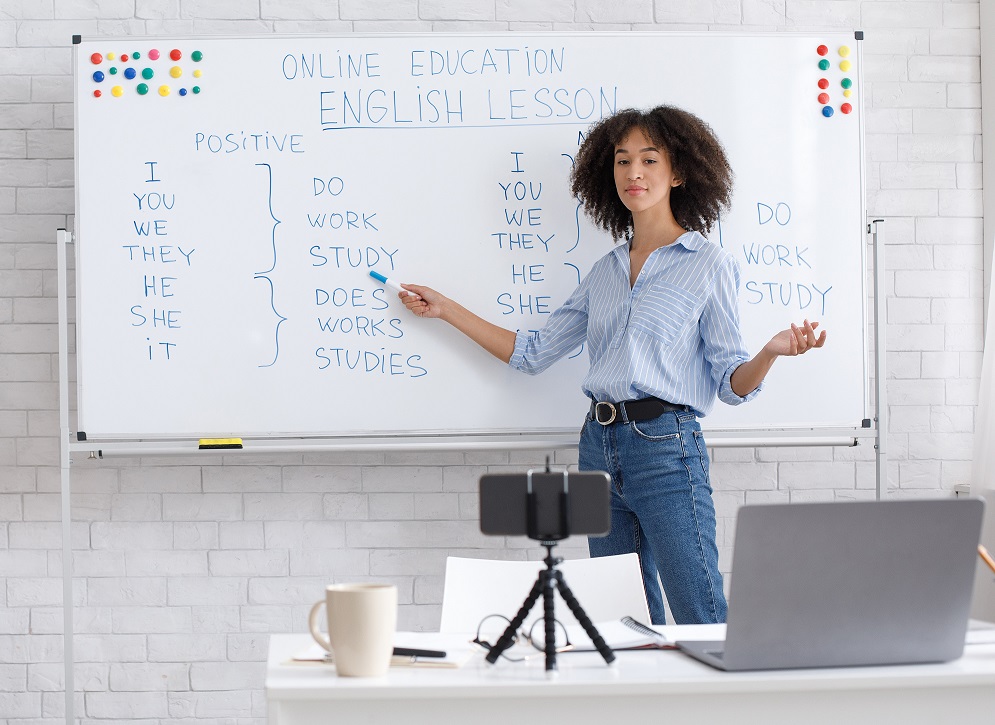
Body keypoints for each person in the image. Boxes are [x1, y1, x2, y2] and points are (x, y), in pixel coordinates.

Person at [398, 106, 826, 625]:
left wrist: (769, 353)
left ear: (680, 172)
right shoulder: (604, 272)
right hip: (597, 447)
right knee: (626, 621)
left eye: (649, 159)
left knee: (701, 614)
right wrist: (446, 309)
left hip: (666, 447)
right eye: (622, 161)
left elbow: (731, 385)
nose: (634, 173)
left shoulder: (708, 263)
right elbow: (532, 353)